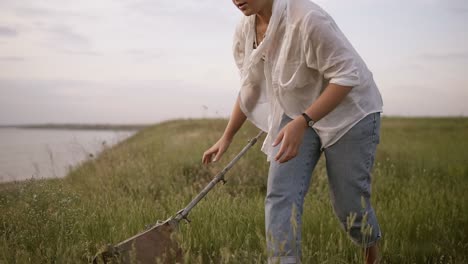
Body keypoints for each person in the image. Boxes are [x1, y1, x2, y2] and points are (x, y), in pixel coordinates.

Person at [202, 0, 383, 263]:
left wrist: (303, 121)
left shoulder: (307, 19)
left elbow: (346, 76)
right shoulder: (246, 29)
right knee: (280, 194)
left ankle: (372, 255)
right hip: (298, 109)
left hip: (349, 113)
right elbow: (251, 86)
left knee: (349, 205)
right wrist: (227, 136)